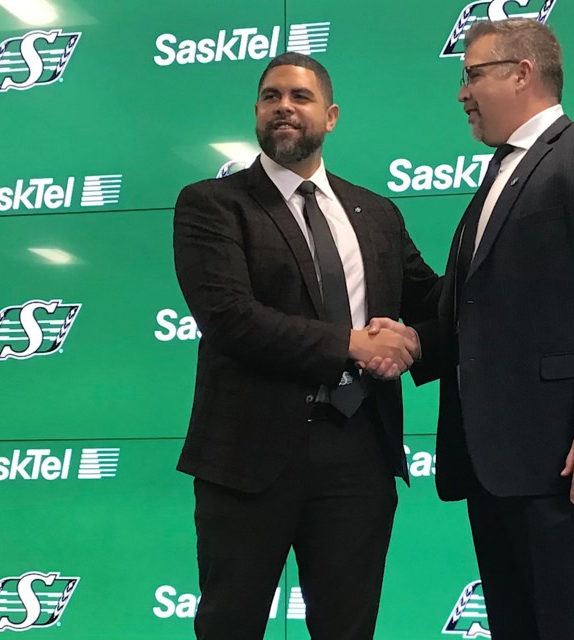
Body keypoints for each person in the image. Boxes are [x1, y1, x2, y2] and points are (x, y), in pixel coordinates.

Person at [368, 17, 574, 640]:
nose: (461, 93)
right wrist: (418, 341)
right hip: (496, 462)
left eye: (473, 74)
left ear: (522, 73)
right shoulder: (498, 173)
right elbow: (480, 308)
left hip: (569, 455)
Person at [172, 52, 440, 640]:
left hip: (359, 456)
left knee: (348, 628)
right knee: (229, 624)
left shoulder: (377, 214)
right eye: (271, 97)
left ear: (332, 115)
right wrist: (354, 343)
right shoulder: (212, 204)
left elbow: (431, 304)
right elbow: (231, 319)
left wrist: (412, 343)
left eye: (300, 96)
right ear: (257, 113)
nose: (284, 107)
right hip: (247, 458)